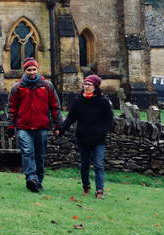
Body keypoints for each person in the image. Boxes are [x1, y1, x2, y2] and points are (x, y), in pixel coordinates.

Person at [6, 58, 62, 193]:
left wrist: (58, 124)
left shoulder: (47, 86)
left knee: (40, 156)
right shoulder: (17, 87)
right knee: (27, 153)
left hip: (41, 126)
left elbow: (55, 106)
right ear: (24, 71)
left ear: (38, 70)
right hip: (24, 127)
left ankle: (39, 180)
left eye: (34, 69)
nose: (32, 72)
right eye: (29, 70)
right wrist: (10, 126)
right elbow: (11, 108)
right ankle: (31, 177)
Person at [54, 74, 113, 199]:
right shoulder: (78, 101)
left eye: (89, 84)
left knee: (98, 165)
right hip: (82, 138)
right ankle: (86, 186)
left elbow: (109, 120)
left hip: (98, 139)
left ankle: (99, 190)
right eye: (85, 84)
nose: (86, 86)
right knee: (84, 165)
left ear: (95, 87)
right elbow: (70, 118)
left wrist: (102, 131)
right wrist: (61, 130)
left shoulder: (103, 102)